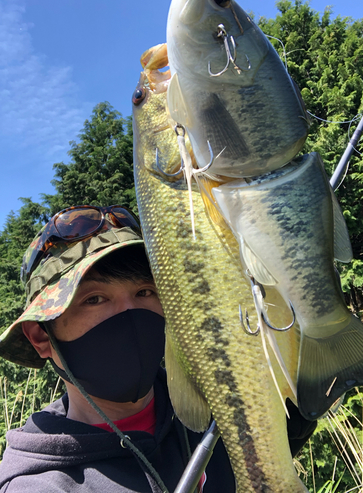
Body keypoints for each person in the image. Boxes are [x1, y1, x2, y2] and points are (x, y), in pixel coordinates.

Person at [0, 205, 316, 493]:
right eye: (94, 299)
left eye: (145, 291)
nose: (130, 313)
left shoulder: (220, 399)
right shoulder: (42, 486)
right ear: (41, 336)